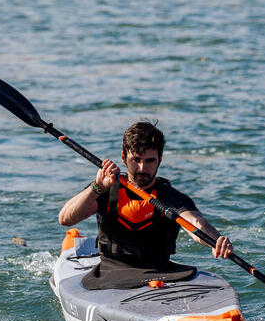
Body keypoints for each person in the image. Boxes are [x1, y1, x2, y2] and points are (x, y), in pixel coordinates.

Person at [58, 122, 232, 285]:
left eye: (150, 161)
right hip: (111, 272)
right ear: (123, 158)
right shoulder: (106, 188)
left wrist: (216, 241)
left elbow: (195, 223)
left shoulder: (168, 196)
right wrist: (97, 187)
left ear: (160, 159)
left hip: (160, 273)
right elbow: (65, 219)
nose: (142, 168)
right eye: (136, 160)